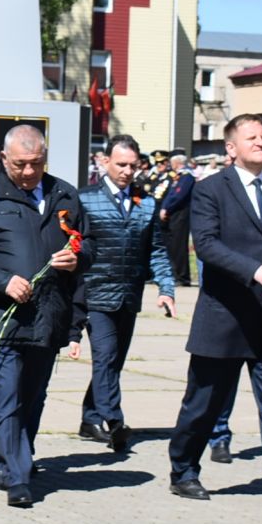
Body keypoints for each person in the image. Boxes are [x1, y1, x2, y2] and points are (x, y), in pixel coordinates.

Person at [164, 113, 262, 513]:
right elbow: (206, 245)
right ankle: (183, 469)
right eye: (253, 137)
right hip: (224, 317)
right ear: (231, 148)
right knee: (203, 404)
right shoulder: (210, 190)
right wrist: (252, 269)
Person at [0, 124, 81, 507]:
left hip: (49, 315)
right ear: (3, 158)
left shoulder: (64, 194)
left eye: (36, 164)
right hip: (3, 316)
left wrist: (76, 260)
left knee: (33, 396)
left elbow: (85, 246)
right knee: (8, 395)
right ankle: (15, 474)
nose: (28, 172)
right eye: (20, 164)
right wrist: (2, 281)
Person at [68, 134, 175, 455]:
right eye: (121, 164)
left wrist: (166, 288)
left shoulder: (148, 203)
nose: (127, 171)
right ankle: (114, 422)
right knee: (105, 355)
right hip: (94, 292)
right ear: (105, 163)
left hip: (129, 294)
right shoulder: (86, 199)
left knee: (113, 362)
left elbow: (156, 250)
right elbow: (73, 245)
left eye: (132, 165)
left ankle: (90, 419)